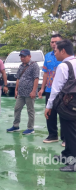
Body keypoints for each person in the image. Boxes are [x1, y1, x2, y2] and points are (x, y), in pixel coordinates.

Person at [44, 39, 76, 172]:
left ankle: (73, 162)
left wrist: (49, 106)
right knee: (69, 132)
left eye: (56, 51)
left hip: (67, 105)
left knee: (71, 133)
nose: (55, 54)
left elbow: (55, 89)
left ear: (63, 51)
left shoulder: (63, 66)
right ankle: (67, 155)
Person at [38, 34, 65, 146]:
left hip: (64, 91)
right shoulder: (48, 56)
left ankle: (65, 138)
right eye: (52, 42)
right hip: (49, 90)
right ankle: (53, 135)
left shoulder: (66, 56)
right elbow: (45, 73)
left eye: (56, 42)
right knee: (50, 113)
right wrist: (42, 88)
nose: (53, 44)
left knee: (65, 115)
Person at [7, 49, 40, 135]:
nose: (22, 58)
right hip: (21, 93)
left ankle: (30, 128)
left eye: (24, 56)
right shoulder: (21, 66)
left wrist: (33, 91)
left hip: (30, 93)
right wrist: (16, 89)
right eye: (21, 56)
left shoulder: (34, 65)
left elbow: (36, 79)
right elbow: (18, 78)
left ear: (29, 56)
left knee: (30, 110)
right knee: (17, 109)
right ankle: (16, 126)